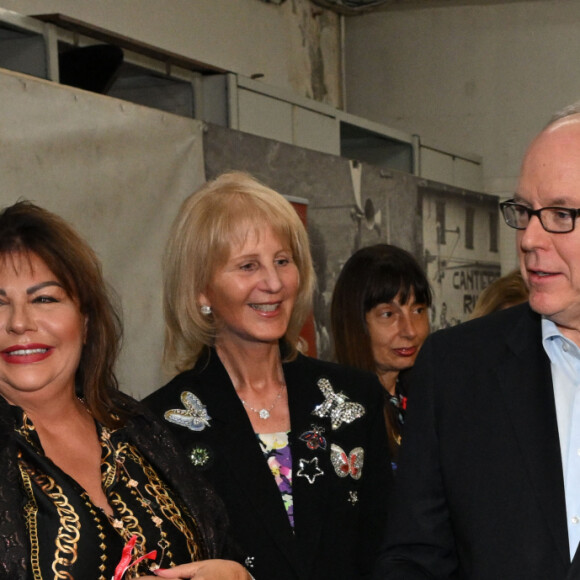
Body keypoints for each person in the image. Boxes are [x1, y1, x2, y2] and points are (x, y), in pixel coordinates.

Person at [144, 171, 392, 580]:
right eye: (247, 266)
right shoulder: (159, 425)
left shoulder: (353, 397)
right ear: (201, 291)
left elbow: (389, 546)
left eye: (282, 261)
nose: (274, 283)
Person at [373, 107, 580, 579]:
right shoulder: (454, 369)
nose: (529, 238)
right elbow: (413, 557)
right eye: (525, 212)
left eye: (562, 215)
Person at [0, 201, 251, 579]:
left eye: (44, 299)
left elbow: (222, 546)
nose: (20, 323)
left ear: (84, 321)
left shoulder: (137, 425)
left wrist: (235, 574)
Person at [330, 244, 431, 463]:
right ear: (355, 323)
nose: (410, 330)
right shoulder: (339, 414)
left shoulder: (432, 395)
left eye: (418, 310)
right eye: (388, 314)